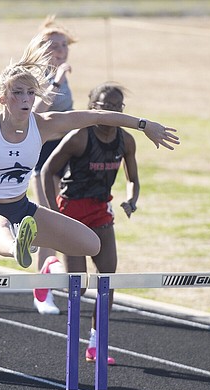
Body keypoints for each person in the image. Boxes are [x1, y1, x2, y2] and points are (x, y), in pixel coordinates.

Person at [0, 42, 178, 286]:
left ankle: (34, 252)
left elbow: (97, 116)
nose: (25, 99)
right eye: (18, 93)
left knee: (91, 243)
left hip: (23, 210)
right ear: (3, 97)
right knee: (0, 226)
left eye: (30, 93)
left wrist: (144, 125)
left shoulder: (44, 125)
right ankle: (19, 244)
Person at [42, 83, 140, 365]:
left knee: (107, 278)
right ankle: (52, 267)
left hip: (100, 211)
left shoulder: (126, 140)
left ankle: (96, 344)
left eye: (116, 106)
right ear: (92, 107)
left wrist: (132, 199)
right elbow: (48, 170)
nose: (110, 110)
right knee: (79, 286)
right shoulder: (79, 137)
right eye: (104, 105)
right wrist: (53, 213)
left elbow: (132, 178)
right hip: (72, 210)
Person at [28, 16, 78, 316]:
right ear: (42, 49)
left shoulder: (62, 73)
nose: (61, 50)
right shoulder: (39, 76)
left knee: (65, 220)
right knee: (47, 222)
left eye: (63, 45)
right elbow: (37, 111)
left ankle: (59, 281)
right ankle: (41, 292)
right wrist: (57, 77)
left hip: (67, 154)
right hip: (45, 155)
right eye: (54, 45)